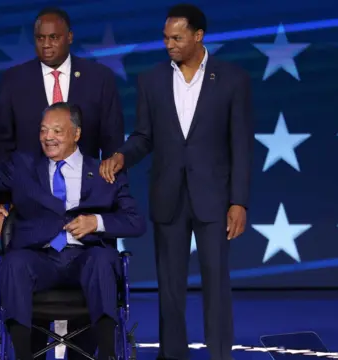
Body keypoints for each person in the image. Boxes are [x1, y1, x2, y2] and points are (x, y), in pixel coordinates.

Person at [100, 4, 253, 360]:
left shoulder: (232, 79)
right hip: (168, 196)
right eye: (166, 37)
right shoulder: (151, 80)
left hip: (214, 198)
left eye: (177, 38)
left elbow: (241, 146)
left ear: (198, 36)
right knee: (170, 289)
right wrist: (123, 155)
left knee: (216, 284)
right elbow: (143, 136)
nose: (169, 44)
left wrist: (239, 201)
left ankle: (219, 355)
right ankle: (172, 356)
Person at [0, 102, 145, 360]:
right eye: (43, 130)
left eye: (57, 131)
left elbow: (135, 222)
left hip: (86, 260)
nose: (48, 137)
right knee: (14, 261)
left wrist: (97, 222)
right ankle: (24, 356)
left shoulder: (103, 171)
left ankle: (106, 354)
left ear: (76, 134)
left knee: (103, 259)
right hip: (40, 261)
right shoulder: (23, 167)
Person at [0, 6, 125, 358]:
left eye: (53, 37)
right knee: (25, 279)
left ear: (69, 37)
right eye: (39, 38)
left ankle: (88, 353)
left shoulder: (99, 79)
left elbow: (111, 147)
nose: (46, 45)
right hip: (31, 211)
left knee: (91, 282)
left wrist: (106, 204)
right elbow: (2, 145)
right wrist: (3, 200)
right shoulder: (14, 80)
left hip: (84, 209)